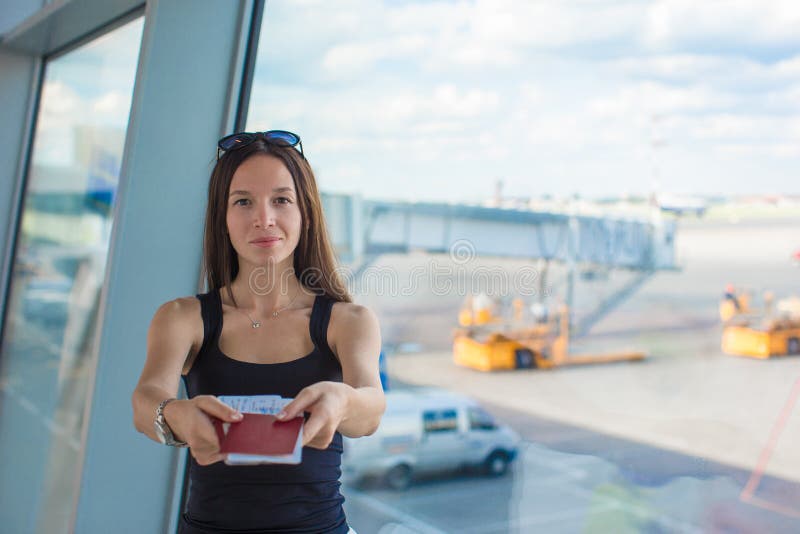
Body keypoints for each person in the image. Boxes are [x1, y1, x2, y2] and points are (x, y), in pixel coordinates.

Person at [131, 130, 385, 533]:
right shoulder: (181, 317)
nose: (264, 218)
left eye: (281, 200)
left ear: (305, 213)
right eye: (243, 201)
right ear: (222, 217)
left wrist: (343, 401)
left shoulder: (349, 321)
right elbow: (145, 401)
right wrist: (176, 413)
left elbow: (370, 410)